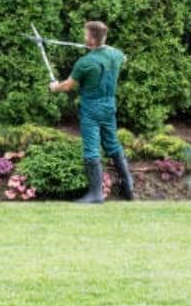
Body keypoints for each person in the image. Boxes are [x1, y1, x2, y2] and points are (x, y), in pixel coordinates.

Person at [48, 20, 134, 203]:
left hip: (91, 107)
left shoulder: (85, 62)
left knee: (91, 149)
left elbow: (68, 86)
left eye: (86, 34)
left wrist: (55, 87)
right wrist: (105, 47)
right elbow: (123, 57)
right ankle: (129, 186)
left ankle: (96, 194)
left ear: (92, 39)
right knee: (112, 144)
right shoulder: (116, 55)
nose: (83, 37)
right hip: (109, 106)